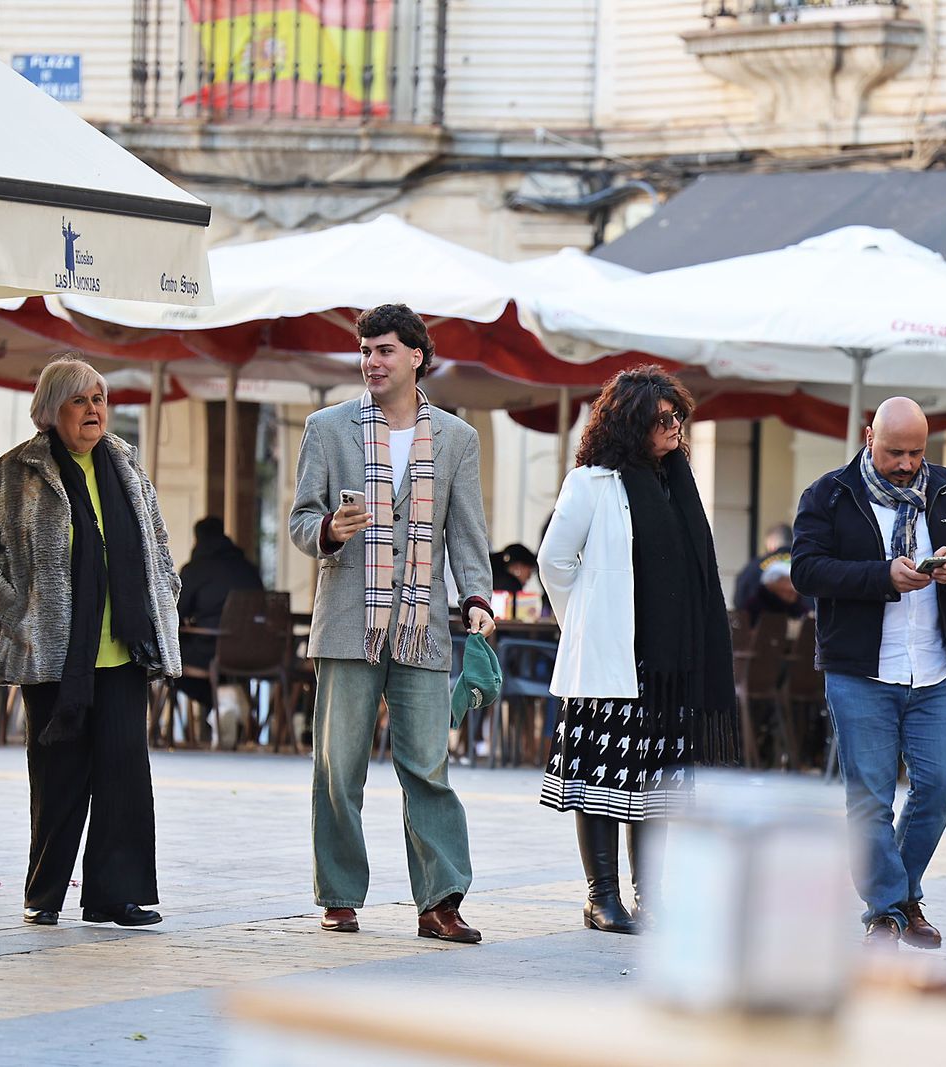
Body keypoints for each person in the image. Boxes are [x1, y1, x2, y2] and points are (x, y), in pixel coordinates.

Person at [0, 355, 181, 928]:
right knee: (58, 776)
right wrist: (13, 614)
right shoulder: (16, 473)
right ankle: (44, 894)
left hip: (123, 650)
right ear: (52, 411)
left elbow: (156, 542)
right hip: (52, 654)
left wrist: (165, 591)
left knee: (124, 776)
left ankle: (114, 897)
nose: (93, 410)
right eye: (80, 400)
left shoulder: (125, 464)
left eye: (99, 399)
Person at [289, 302, 495, 944]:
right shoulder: (328, 429)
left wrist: (478, 599)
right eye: (365, 351)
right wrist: (328, 529)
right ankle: (339, 895)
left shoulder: (457, 438)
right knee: (338, 768)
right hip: (347, 621)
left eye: (383, 351)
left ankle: (440, 902)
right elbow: (301, 520)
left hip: (422, 626)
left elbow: (467, 533)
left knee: (428, 768)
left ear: (415, 357)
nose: (371, 362)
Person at [792, 397, 946, 949]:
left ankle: (900, 898)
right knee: (871, 798)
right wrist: (882, 577)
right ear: (870, 438)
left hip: (932, 670)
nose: (907, 464)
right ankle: (886, 911)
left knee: (941, 785)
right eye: (894, 452)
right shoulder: (829, 494)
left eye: (916, 452)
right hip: (860, 671)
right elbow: (806, 571)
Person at [537, 367, 738, 935]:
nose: (675, 427)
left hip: (670, 665)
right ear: (631, 423)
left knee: (659, 785)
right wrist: (586, 622)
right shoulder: (592, 483)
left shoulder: (679, 483)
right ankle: (601, 897)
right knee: (598, 782)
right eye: (663, 418)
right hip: (610, 660)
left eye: (679, 417)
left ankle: (653, 896)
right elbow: (554, 562)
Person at [176, 515, 264, 705]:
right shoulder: (249, 568)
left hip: (210, 653)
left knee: (168, 660)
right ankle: (225, 701)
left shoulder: (195, 570)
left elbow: (176, 614)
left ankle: (218, 703)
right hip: (253, 653)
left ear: (197, 539)